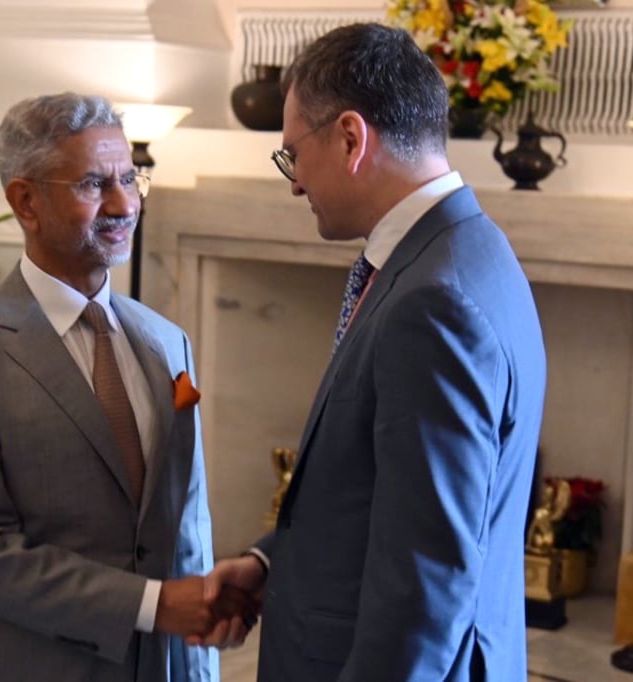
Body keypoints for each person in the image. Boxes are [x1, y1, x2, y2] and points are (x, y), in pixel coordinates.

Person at [196, 23, 547, 682]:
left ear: (352, 139)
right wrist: (276, 562)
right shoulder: (471, 249)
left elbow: (427, 583)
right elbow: (390, 496)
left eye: (292, 155)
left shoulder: (433, 303)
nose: (294, 183)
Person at [0, 92, 248, 682]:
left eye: (129, 178)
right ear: (25, 201)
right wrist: (154, 606)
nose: (123, 203)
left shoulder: (168, 343)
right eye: (94, 184)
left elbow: (185, 529)